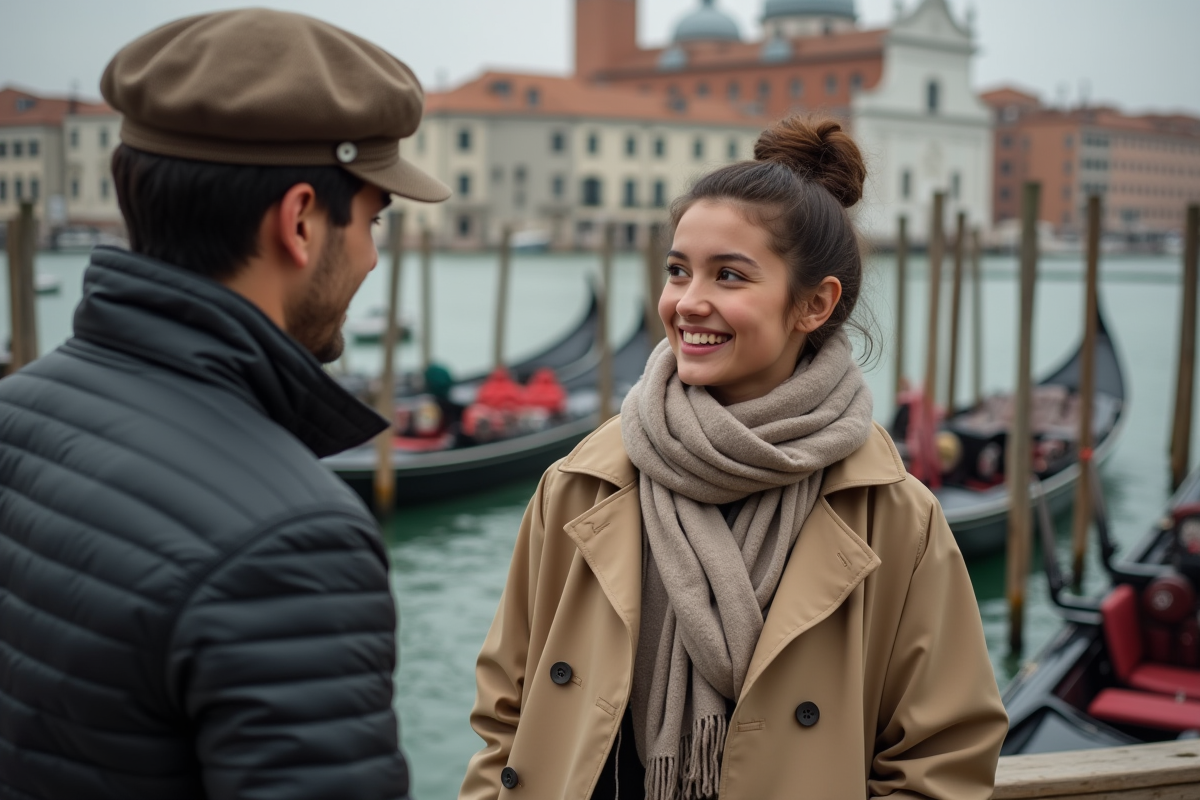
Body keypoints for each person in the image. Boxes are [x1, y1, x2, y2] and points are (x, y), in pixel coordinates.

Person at [459, 116, 1008, 800]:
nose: (689, 302)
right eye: (677, 271)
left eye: (729, 276)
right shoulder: (580, 485)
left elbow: (943, 758)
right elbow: (505, 715)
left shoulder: (896, 516)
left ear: (813, 304)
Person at [0, 9, 449, 799]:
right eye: (374, 220)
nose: (375, 257)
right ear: (301, 219)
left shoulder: (16, 411)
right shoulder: (293, 541)